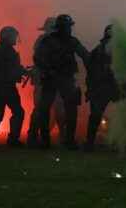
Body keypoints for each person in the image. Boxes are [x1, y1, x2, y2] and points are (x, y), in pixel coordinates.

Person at [33, 14, 89, 150]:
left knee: (68, 109)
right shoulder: (49, 41)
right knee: (46, 109)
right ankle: (48, 140)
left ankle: (66, 139)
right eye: (67, 27)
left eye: (69, 27)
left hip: (63, 78)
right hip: (54, 78)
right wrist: (48, 70)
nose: (69, 29)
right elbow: (38, 58)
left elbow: (85, 55)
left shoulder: (68, 41)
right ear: (61, 28)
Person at [26, 17, 64, 147]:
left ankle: (59, 136)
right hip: (44, 80)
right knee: (43, 109)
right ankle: (34, 136)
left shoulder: (51, 41)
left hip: (51, 79)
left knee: (56, 108)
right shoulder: (43, 41)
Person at [83, 25, 121, 151]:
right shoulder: (98, 51)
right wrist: (91, 88)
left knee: (120, 115)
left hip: (114, 87)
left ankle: (117, 142)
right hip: (101, 87)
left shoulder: (121, 51)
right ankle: (90, 143)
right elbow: (90, 71)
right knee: (96, 116)